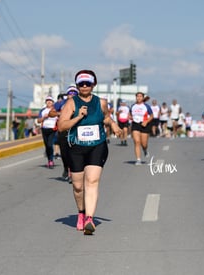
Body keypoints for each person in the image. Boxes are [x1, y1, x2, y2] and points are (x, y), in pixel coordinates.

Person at [58, 70, 121, 235]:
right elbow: (61, 126)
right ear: (77, 85)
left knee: (92, 181)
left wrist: (113, 124)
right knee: (78, 187)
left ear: (94, 84)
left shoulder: (101, 102)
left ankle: (89, 219)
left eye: (88, 83)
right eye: (81, 84)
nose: (84, 86)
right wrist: (78, 117)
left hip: (97, 145)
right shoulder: (71, 103)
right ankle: (81, 212)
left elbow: (105, 117)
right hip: (76, 148)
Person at [56, 86, 79, 182]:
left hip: (75, 130)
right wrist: (60, 114)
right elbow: (51, 112)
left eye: (74, 93)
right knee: (64, 153)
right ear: (67, 95)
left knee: (74, 152)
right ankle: (66, 168)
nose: (72, 95)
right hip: (63, 130)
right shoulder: (61, 103)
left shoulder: (79, 103)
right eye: (70, 93)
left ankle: (72, 173)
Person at [130, 92, 153, 165]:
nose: (139, 98)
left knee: (144, 144)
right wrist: (130, 117)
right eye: (137, 96)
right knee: (137, 142)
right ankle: (138, 159)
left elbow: (152, 116)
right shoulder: (133, 106)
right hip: (135, 124)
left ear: (143, 98)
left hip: (144, 125)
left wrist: (146, 121)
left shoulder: (146, 106)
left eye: (140, 96)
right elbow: (130, 114)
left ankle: (145, 150)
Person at [38, 96, 58, 168]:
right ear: (45, 102)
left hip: (52, 129)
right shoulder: (42, 111)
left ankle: (51, 160)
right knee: (47, 146)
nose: (49, 102)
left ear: (53, 102)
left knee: (50, 144)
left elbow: (60, 118)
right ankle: (49, 160)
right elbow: (38, 121)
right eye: (47, 101)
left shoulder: (55, 110)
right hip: (44, 129)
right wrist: (44, 117)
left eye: (50, 101)